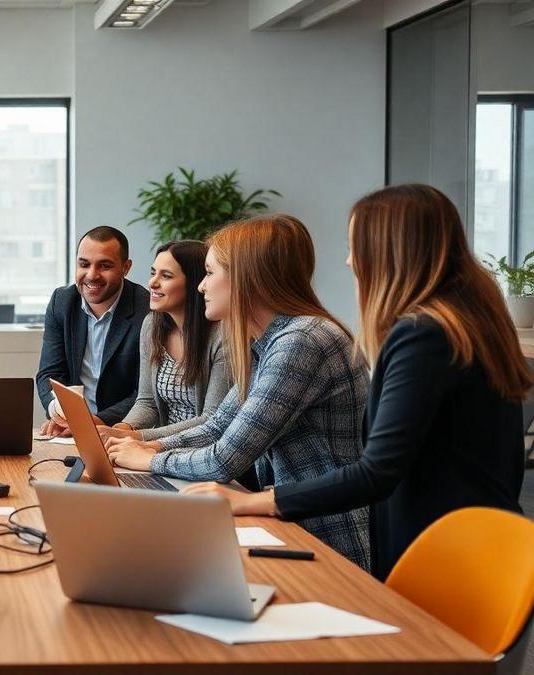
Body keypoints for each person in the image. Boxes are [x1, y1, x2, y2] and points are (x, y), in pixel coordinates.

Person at [182, 185, 531, 579]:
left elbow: (376, 472)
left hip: (444, 557)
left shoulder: (423, 335)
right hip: (478, 545)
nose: (349, 261)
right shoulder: (466, 323)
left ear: (388, 251)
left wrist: (255, 502)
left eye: (354, 245)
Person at [105, 215, 371, 569]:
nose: (202, 286)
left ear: (246, 279)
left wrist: (149, 460)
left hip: (325, 541)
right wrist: (147, 445)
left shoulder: (302, 342)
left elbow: (224, 459)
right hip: (288, 528)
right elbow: (218, 425)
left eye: (211, 273)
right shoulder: (268, 342)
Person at [103, 240, 231, 442]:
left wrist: (139, 436)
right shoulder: (152, 326)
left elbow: (211, 419)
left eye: (166, 276)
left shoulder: (223, 337)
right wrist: (123, 428)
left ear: (195, 283)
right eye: (153, 273)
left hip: (201, 453)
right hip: (158, 448)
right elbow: (147, 402)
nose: (152, 283)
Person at [35, 226, 150, 436]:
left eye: (104, 265)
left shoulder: (147, 310)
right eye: (84, 264)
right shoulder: (62, 302)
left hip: (121, 430)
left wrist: (96, 421)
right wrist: (60, 413)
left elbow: (145, 392)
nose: (91, 275)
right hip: (69, 430)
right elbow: (49, 374)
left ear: (126, 268)